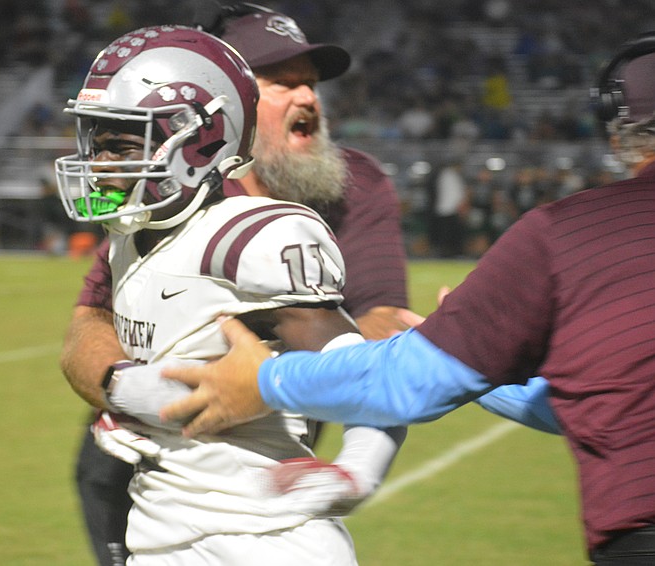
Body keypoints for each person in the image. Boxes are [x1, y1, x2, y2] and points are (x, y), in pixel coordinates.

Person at [160, 34, 655, 566]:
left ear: (618, 121)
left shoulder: (570, 232)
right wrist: (483, 372)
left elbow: (407, 382)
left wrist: (264, 382)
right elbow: (614, 399)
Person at [62, 5, 413, 565]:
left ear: (205, 128)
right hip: (161, 513)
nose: (101, 166)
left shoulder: (259, 234)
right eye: (284, 82)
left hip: (260, 534)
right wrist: (129, 390)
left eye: (123, 145)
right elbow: (89, 324)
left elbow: (372, 368)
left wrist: (276, 387)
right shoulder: (143, 222)